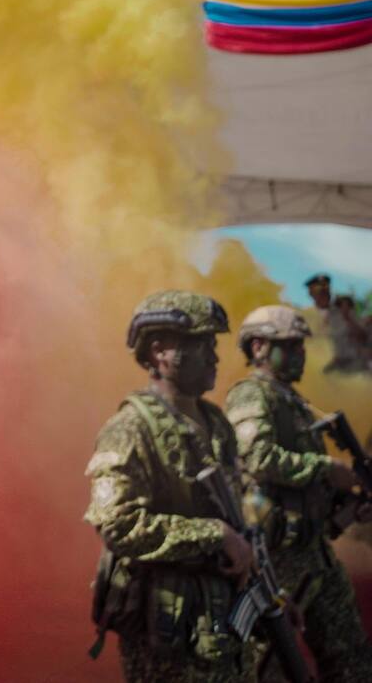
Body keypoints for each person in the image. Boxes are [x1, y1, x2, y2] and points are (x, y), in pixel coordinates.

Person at [85, 290, 259, 682]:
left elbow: (240, 511)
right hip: (170, 637)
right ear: (160, 351)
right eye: (202, 345)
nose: (215, 357)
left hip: (224, 625)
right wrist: (214, 535)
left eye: (213, 344)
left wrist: (270, 595)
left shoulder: (216, 424)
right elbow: (118, 525)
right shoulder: (129, 429)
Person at [224, 305, 372, 681]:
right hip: (279, 560)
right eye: (289, 346)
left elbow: (301, 484)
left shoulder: (296, 404)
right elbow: (256, 457)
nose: (301, 354)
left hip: (315, 552)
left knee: (350, 656)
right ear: (258, 347)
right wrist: (327, 469)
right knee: (269, 664)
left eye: (300, 346)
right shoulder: (251, 395)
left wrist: (345, 508)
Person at [303, 273, 369, 374]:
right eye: (317, 291)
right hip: (331, 365)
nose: (322, 294)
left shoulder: (344, 308)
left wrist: (347, 316)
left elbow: (363, 335)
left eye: (325, 290)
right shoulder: (312, 315)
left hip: (355, 365)